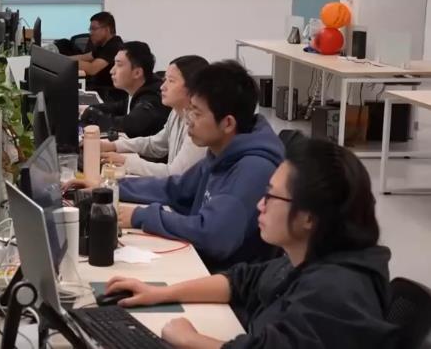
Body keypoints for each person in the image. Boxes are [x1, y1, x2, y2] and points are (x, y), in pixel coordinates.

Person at [105, 138, 396, 349]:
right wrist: (159, 293)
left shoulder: (334, 293)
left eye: (271, 196)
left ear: (309, 217)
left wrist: (191, 340)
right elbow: (244, 280)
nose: (260, 205)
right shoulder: (313, 255)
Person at [69, 60, 283, 271]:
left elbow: (212, 235)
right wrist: (107, 187)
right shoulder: (222, 151)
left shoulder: (252, 170)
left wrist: (140, 216)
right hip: (201, 264)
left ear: (227, 123)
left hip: (221, 278)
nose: (188, 120)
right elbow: (175, 188)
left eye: (197, 113)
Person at [99, 55, 209, 177]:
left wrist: (126, 161)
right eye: (165, 80)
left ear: (193, 88)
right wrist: (114, 146)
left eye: (171, 81)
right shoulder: (176, 112)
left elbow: (174, 174)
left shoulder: (199, 126)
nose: (162, 87)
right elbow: (155, 144)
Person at [80, 41, 170, 139]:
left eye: (119, 65)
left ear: (137, 73)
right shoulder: (139, 90)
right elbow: (119, 107)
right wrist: (89, 108)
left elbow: (130, 124)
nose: (111, 71)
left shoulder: (152, 98)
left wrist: (94, 116)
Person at [71, 12, 124, 102]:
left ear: (107, 30)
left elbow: (92, 69)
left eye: (94, 29)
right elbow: (84, 57)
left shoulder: (114, 46)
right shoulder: (103, 45)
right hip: (100, 91)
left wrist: (67, 63)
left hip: (109, 96)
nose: (91, 33)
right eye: (90, 29)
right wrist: (61, 58)